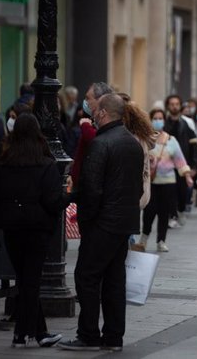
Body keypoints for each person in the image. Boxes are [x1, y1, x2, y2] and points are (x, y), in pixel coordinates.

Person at [58, 94, 144, 351]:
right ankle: (114, 336)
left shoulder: (101, 143)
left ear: (104, 112)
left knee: (86, 276)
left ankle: (88, 334)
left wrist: (85, 216)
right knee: (115, 279)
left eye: (95, 109)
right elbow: (137, 185)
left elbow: (92, 188)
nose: (91, 113)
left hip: (103, 222)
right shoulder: (132, 142)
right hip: (124, 222)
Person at [0, 113, 64, 348]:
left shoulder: (3, 163)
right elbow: (52, 201)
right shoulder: (46, 163)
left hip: (12, 228)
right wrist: (67, 198)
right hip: (37, 229)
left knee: (26, 279)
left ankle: (39, 333)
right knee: (31, 280)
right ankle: (22, 334)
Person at [135, 109, 193, 252]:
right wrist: (146, 157)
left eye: (160, 118)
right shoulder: (145, 138)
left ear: (164, 120)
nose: (158, 121)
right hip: (151, 182)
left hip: (168, 182)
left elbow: (180, 159)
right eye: (155, 118)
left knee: (164, 213)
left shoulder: (171, 140)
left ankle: (161, 240)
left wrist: (187, 176)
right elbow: (137, 155)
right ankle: (144, 238)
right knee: (149, 211)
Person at [69, 82, 114, 188]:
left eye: (88, 98)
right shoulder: (93, 121)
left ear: (100, 100)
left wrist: (85, 127)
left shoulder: (104, 122)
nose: (85, 102)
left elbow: (97, 143)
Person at [164, 94, 197, 222]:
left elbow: (194, 145)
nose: (174, 107)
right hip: (166, 164)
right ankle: (171, 215)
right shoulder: (163, 124)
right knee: (169, 192)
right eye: (172, 104)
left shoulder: (186, 123)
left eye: (177, 104)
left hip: (183, 164)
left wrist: (194, 166)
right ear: (168, 106)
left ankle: (181, 210)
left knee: (182, 191)